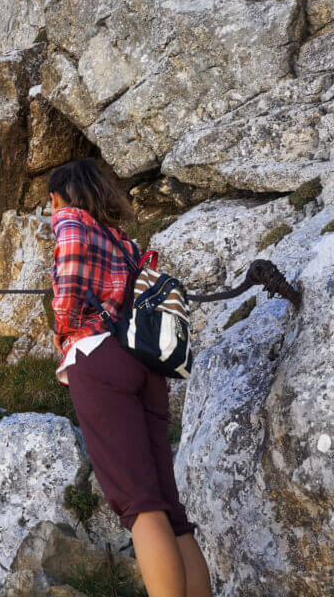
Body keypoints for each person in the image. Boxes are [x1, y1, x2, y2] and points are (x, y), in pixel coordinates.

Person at [47, 157, 212, 597]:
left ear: (60, 196)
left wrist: (65, 331)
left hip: (98, 362)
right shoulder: (125, 243)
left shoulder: (69, 221)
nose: (52, 211)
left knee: (138, 504)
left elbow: (67, 289)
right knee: (168, 508)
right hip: (144, 365)